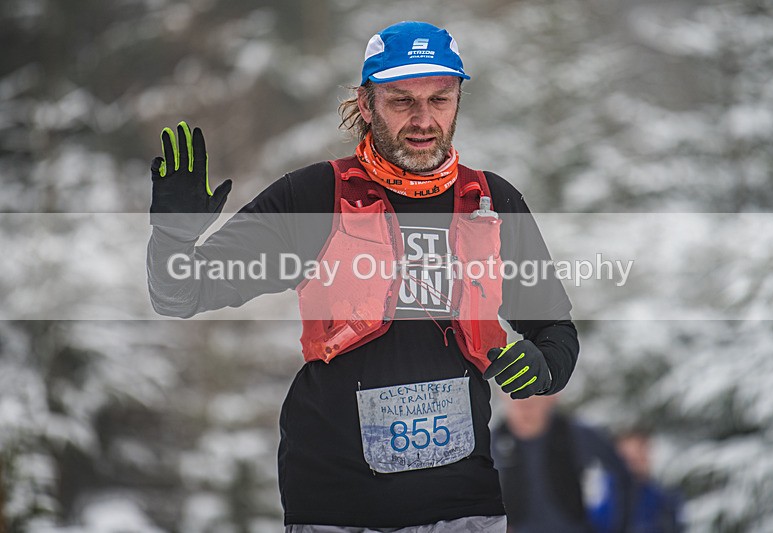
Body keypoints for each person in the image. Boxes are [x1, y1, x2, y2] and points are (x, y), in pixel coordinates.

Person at [147, 21, 579, 532]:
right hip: (337, 506)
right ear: (367, 102)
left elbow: (556, 332)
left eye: (439, 99)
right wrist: (173, 236)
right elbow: (180, 293)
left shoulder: (492, 201)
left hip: (464, 504)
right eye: (401, 101)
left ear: (458, 98)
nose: (423, 119)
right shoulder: (312, 197)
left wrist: (544, 365)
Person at [492, 394, 634, 533]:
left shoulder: (575, 434)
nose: (525, 411)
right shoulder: (492, 442)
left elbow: (622, 476)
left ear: (550, 398)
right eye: (518, 404)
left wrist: (617, 526)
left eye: (531, 404)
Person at [592, 429, 684, 533]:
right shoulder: (603, 508)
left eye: (643, 450)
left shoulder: (664, 501)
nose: (641, 458)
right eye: (631, 456)